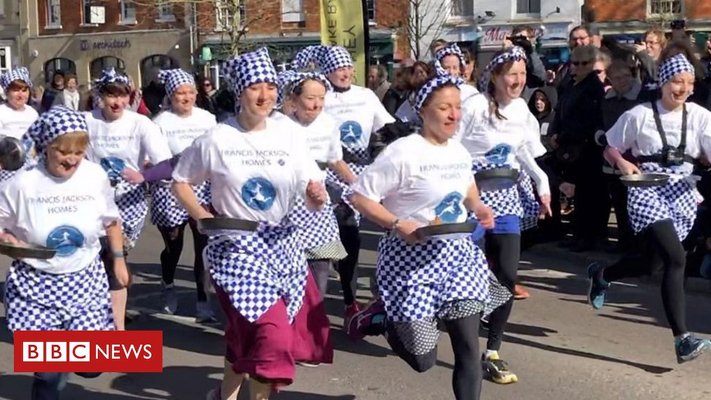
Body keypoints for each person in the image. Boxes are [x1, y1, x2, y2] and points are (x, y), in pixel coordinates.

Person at [172, 47, 332, 400]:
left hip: (283, 247)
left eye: (271, 87)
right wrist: (202, 217)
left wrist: (315, 195)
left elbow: (310, 184)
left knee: (249, 333)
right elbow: (180, 181)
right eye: (255, 87)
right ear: (239, 92)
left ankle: (222, 396)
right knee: (272, 337)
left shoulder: (288, 134)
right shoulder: (216, 138)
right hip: (236, 249)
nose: (265, 95)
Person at [349, 74, 504, 400]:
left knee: (466, 345)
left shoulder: (458, 151)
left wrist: (478, 206)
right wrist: (396, 223)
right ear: (422, 110)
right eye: (444, 107)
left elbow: (467, 187)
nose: (453, 115)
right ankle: (385, 317)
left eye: (457, 107)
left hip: (457, 255)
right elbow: (359, 196)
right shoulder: (403, 153)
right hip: (409, 257)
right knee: (423, 359)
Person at [589, 52, 711, 363]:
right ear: (662, 83)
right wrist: (622, 162)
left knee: (654, 264)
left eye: (688, 83)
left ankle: (603, 274)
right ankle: (682, 338)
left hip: (684, 191)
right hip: (646, 190)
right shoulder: (639, 115)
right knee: (676, 257)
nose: (682, 88)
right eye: (676, 81)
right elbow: (610, 147)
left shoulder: (700, 117)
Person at [0, 106, 128, 399]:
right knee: (49, 375)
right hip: (36, 284)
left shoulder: (94, 176)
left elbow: (111, 220)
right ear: (46, 147)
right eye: (63, 152)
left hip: (85, 279)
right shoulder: (20, 183)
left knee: (93, 366)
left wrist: (118, 260)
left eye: (79, 153)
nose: (71, 160)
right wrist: (8, 240)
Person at [458, 46, 552, 384]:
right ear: (495, 76)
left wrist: (542, 183)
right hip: (471, 198)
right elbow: (449, 144)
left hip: (507, 199)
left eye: (523, 74)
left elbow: (526, 152)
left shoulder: (523, 109)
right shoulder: (474, 106)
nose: (518, 80)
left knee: (508, 277)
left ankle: (492, 352)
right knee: (461, 271)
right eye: (511, 74)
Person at [292, 45, 394, 328]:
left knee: (350, 237)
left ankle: (349, 300)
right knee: (319, 245)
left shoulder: (366, 95)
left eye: (348, 66)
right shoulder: (312, 100)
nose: (345, 72)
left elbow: (386, 127)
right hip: (318, 179)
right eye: (338, 67)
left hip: (353, 174)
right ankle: (301, 307)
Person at [124, 69, 219, 322]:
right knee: (174, 246)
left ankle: (203, 301)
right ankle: (168, 285)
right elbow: (157, 159)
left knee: (203, 247)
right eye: (180, 93)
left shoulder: (207, 118)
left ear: (196, 94)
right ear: (171, 95)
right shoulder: (161, 121)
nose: (186, 97)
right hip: (170, 186)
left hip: (202, 187)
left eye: (190, 92)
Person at [84, 68, 172, 330]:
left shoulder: (141, 123)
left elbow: (166, 165)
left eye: (123, 96)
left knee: (115, 257)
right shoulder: (86, 120)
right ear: (100, 95)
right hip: (92, 202)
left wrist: (144, 176)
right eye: (111, 95)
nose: (117, 102)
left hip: (128, 204)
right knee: (94, 260)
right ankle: (104, 314)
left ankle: (115, 324)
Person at [279, 69, 348, 297]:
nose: (317, 104)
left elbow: (334, 160)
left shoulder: (329, 123)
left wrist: (359, 185)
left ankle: (316, 313)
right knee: (292, 265)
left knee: (321, 260)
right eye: (310, 98)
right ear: (294, 99)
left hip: (319, 201)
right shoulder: (279, 126)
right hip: (289, 204)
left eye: (321, 98)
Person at [549, 45, 607, 252]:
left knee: (591, 193)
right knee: (580, 193)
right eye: (576, 63)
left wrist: (563, 136)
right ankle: (580, 233)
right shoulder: (572, 85)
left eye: (585, 64)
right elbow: (560, 112)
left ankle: (590, 236)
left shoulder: (592, 87)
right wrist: (556, 134)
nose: (580, 67)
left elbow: (586, 121)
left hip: (587, 147)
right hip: (571, 145)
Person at [0, 67, 39, 141]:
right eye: (16, 90)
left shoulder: (32, 113)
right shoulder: (2, 112)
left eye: (24, 90)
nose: (20, 95)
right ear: (6, 92)